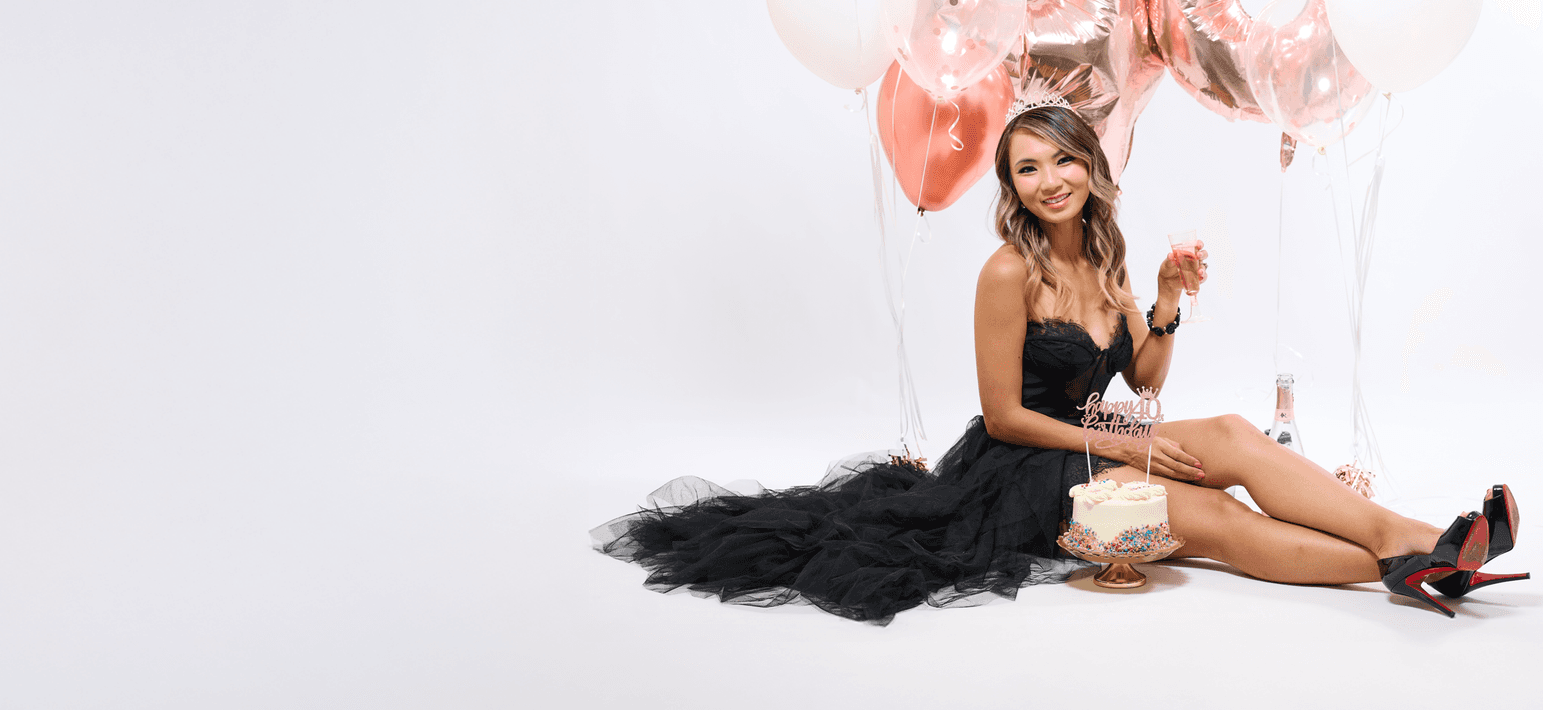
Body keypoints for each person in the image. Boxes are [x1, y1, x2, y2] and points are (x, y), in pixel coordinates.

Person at [592, 100, 1523, 622]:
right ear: (1012, 187)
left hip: (1091, 437)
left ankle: (1412, 540)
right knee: (1202, 512)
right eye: (1025, 170)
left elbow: (1143, 385)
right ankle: (1405, 565)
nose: (1046, 182)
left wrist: (1162, 302)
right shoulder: (1008, 272)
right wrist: (1123, 452)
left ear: (1089, 166)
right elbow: (1001, 417)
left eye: (1059, 162)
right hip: (1019, 469)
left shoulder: (1106, 260)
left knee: (1235, 434)